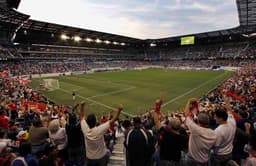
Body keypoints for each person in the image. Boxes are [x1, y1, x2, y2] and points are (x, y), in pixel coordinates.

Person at [79, 101, 123, 166]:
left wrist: (82, 106)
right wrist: (119, 110)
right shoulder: (99, 129)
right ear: (95, 122)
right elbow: (113, 120)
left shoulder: (85, 129)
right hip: (101, 157)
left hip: (90, 157)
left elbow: (82, 117)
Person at [184, 98, 217, 166]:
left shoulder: (195, 130)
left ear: (198, 122)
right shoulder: (213, 134)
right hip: (204, 160)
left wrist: (189, 101)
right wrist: (197, 104)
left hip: (193, 160)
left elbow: (186, 115)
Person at [211, 94, 236, 166]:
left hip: (220, 155)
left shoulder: (218, 130)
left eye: (216, 117)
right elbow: (229, 110)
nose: (215, 118)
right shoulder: (232, 121)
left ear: (221, 118)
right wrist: (226, 100)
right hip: (229, 152)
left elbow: (215, 145)